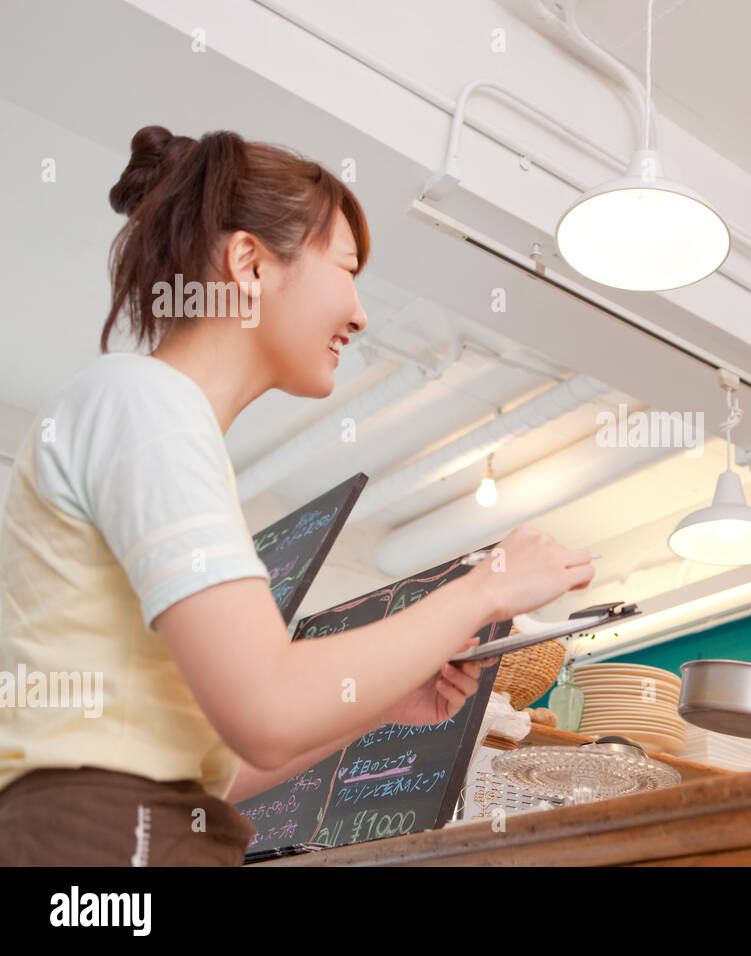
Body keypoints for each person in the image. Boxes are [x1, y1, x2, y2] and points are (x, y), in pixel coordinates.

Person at [0, 126, 593, 865]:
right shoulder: (145, 404)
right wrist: (486, 586)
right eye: (346, 269)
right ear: (249, 262)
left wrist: (379, 698)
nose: (361, 313)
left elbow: (225, 760)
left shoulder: (147, 415)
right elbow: (269, 708)